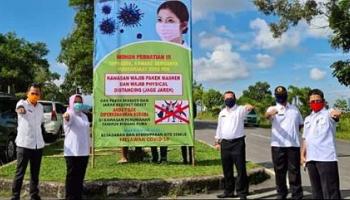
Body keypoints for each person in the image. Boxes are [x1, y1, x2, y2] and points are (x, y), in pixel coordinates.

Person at [301, 89, 342, 199]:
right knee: (316, 192)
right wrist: (302, 155)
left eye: (317, 101)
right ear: (309, 103)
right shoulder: (307, 119)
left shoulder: (328, 114)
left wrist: (337, 114)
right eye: (312, 101)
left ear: (323, 101)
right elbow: (305, 138)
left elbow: (336, 114)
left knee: (330, 193)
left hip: (326, 159)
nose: (315, 103)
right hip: (311, 160)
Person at [265, 86, 303, 199]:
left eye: (282, 95)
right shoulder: (272, 108)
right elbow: (266, 116)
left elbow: (301, 124)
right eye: (278, 95)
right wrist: (270, 114)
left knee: (294, 171)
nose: (280, 97)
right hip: (278, 146)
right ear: (275, 96)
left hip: (293, 145)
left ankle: (297, 194)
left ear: (286, 95)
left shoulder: (295, 109)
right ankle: (281, 193)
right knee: (279, 171)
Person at [214, 91, 254, 199]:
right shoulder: (222, 112)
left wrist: (249, 106)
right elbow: (219, 128)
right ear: (224, 100)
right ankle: (229, 191)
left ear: (235, 98)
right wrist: (217, 142)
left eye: (230, 98)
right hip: (225, 143)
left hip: (238, 143)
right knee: (227, 169)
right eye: (226, 98)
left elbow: (249, 108)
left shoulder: (240, 110)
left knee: (240, 168)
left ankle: (242, 192)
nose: (228, 100)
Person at [11, 83, 44, 200]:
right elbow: (20, 109)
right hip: (24, 145)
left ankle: (34, 195)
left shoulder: (40, 107)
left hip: (38, 145)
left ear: (40, 95)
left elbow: (40, 123)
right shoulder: (22, 103)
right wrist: (21, 110)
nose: (35, 95)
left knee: (35, 174)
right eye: (33, 93)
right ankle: (15, 196)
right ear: (27, 94)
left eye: (37, 93)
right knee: (20, 173)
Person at [63, 94, 90, 200]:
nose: (77, 104)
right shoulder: (70, 113)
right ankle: (69, 197)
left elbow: (86, 132)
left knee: (80, 177)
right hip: (72, 152)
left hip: (84, 151)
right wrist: (66, 116)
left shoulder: (84, 116)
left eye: (80, 102)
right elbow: (67, 118)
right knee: (71, 176)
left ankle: (78, 196)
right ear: (71, 103)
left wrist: (89, 146)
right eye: (75, 102)